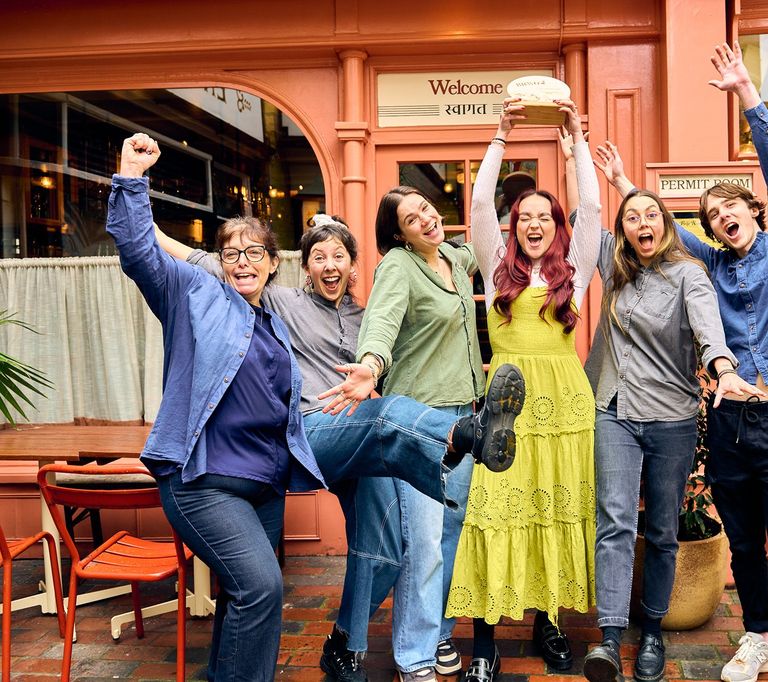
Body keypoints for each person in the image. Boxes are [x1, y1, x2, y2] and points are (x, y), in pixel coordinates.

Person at [127, 133, 523, 681]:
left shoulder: (352, 313)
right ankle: (463, 435)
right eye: (318, 256)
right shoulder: (279, 300)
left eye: (339, 255)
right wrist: (139, 207)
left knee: (384, 545)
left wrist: (379, 368)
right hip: (307, 432)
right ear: (303, 267)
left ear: (354, 265)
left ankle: (344, 641)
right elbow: (202, 263)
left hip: (319, 450)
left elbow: (391, 333)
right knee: (383, 421)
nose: (329, 264)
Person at [594, 42, 768, 682]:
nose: (723, 219)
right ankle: (758, 638)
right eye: (714, 215)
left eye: (733, 208)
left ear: (755, 211)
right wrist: (622, 185)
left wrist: (747, 93)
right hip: (725, 422)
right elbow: (661, 235)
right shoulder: (711, 265)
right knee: (745, 544)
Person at [581, 187, 763, 682]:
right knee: (615, 523)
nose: (643, 223)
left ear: (665, 223)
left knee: (662, 530)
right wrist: (576, 143)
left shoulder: (689, 275)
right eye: (632, 217)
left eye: (651, 215)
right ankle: (610, 637)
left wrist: (723, 369)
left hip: (671, 418)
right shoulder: (613, 267)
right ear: (623, 230)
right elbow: (586, 212)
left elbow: (709, 331)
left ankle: (654, 630)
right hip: (613, 410)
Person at [445, 97, 598, 682]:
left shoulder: (575, 271)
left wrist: (577, 140)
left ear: (558, 229)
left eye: (545, 218)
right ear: (513, 228)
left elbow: (594, 209)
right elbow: (480, 202)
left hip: (565, 408)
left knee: (553, 513)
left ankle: (550, 623)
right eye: (525, 218)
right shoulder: (494, 267)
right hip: (507, 408)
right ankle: (484, 639)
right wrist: (499, 138)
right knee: (494, 512)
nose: (535, 225)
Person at [330, 184, 489, 682]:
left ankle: (435, 633)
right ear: (397, 234)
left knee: (447, 536)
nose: (424, 218)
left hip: (464, 418)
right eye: (410, 218)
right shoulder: (399, 266)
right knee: (422, 543)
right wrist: (371, 366)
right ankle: (413, 659)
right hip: (419, 423)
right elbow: (380, 324)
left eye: (425, 208)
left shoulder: (455, 258)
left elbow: (483, 229)